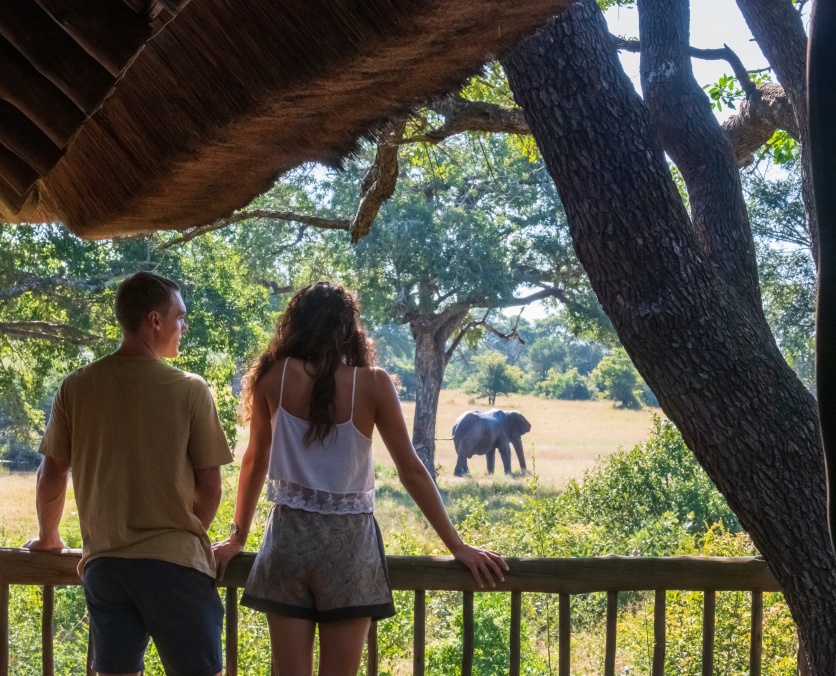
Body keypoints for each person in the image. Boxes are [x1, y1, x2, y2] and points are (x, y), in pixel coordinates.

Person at [213, 282, 508, 676]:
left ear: (295, 325)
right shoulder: (373, 383)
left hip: (288, 541)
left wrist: (237, 537)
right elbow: (411, 472)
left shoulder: (274, 376)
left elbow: (253, 461)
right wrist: (456, 545)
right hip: (350, 549)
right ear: (348, 328)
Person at [25, 271, 233, 676]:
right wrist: (185, 537)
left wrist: (49, 537)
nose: (183, 326)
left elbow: (52, 475)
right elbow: (210, 487)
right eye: (179, 317)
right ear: (154, 320)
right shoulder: (190, 388)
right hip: (175, 568)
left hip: (107, 569)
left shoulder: (77, 387)